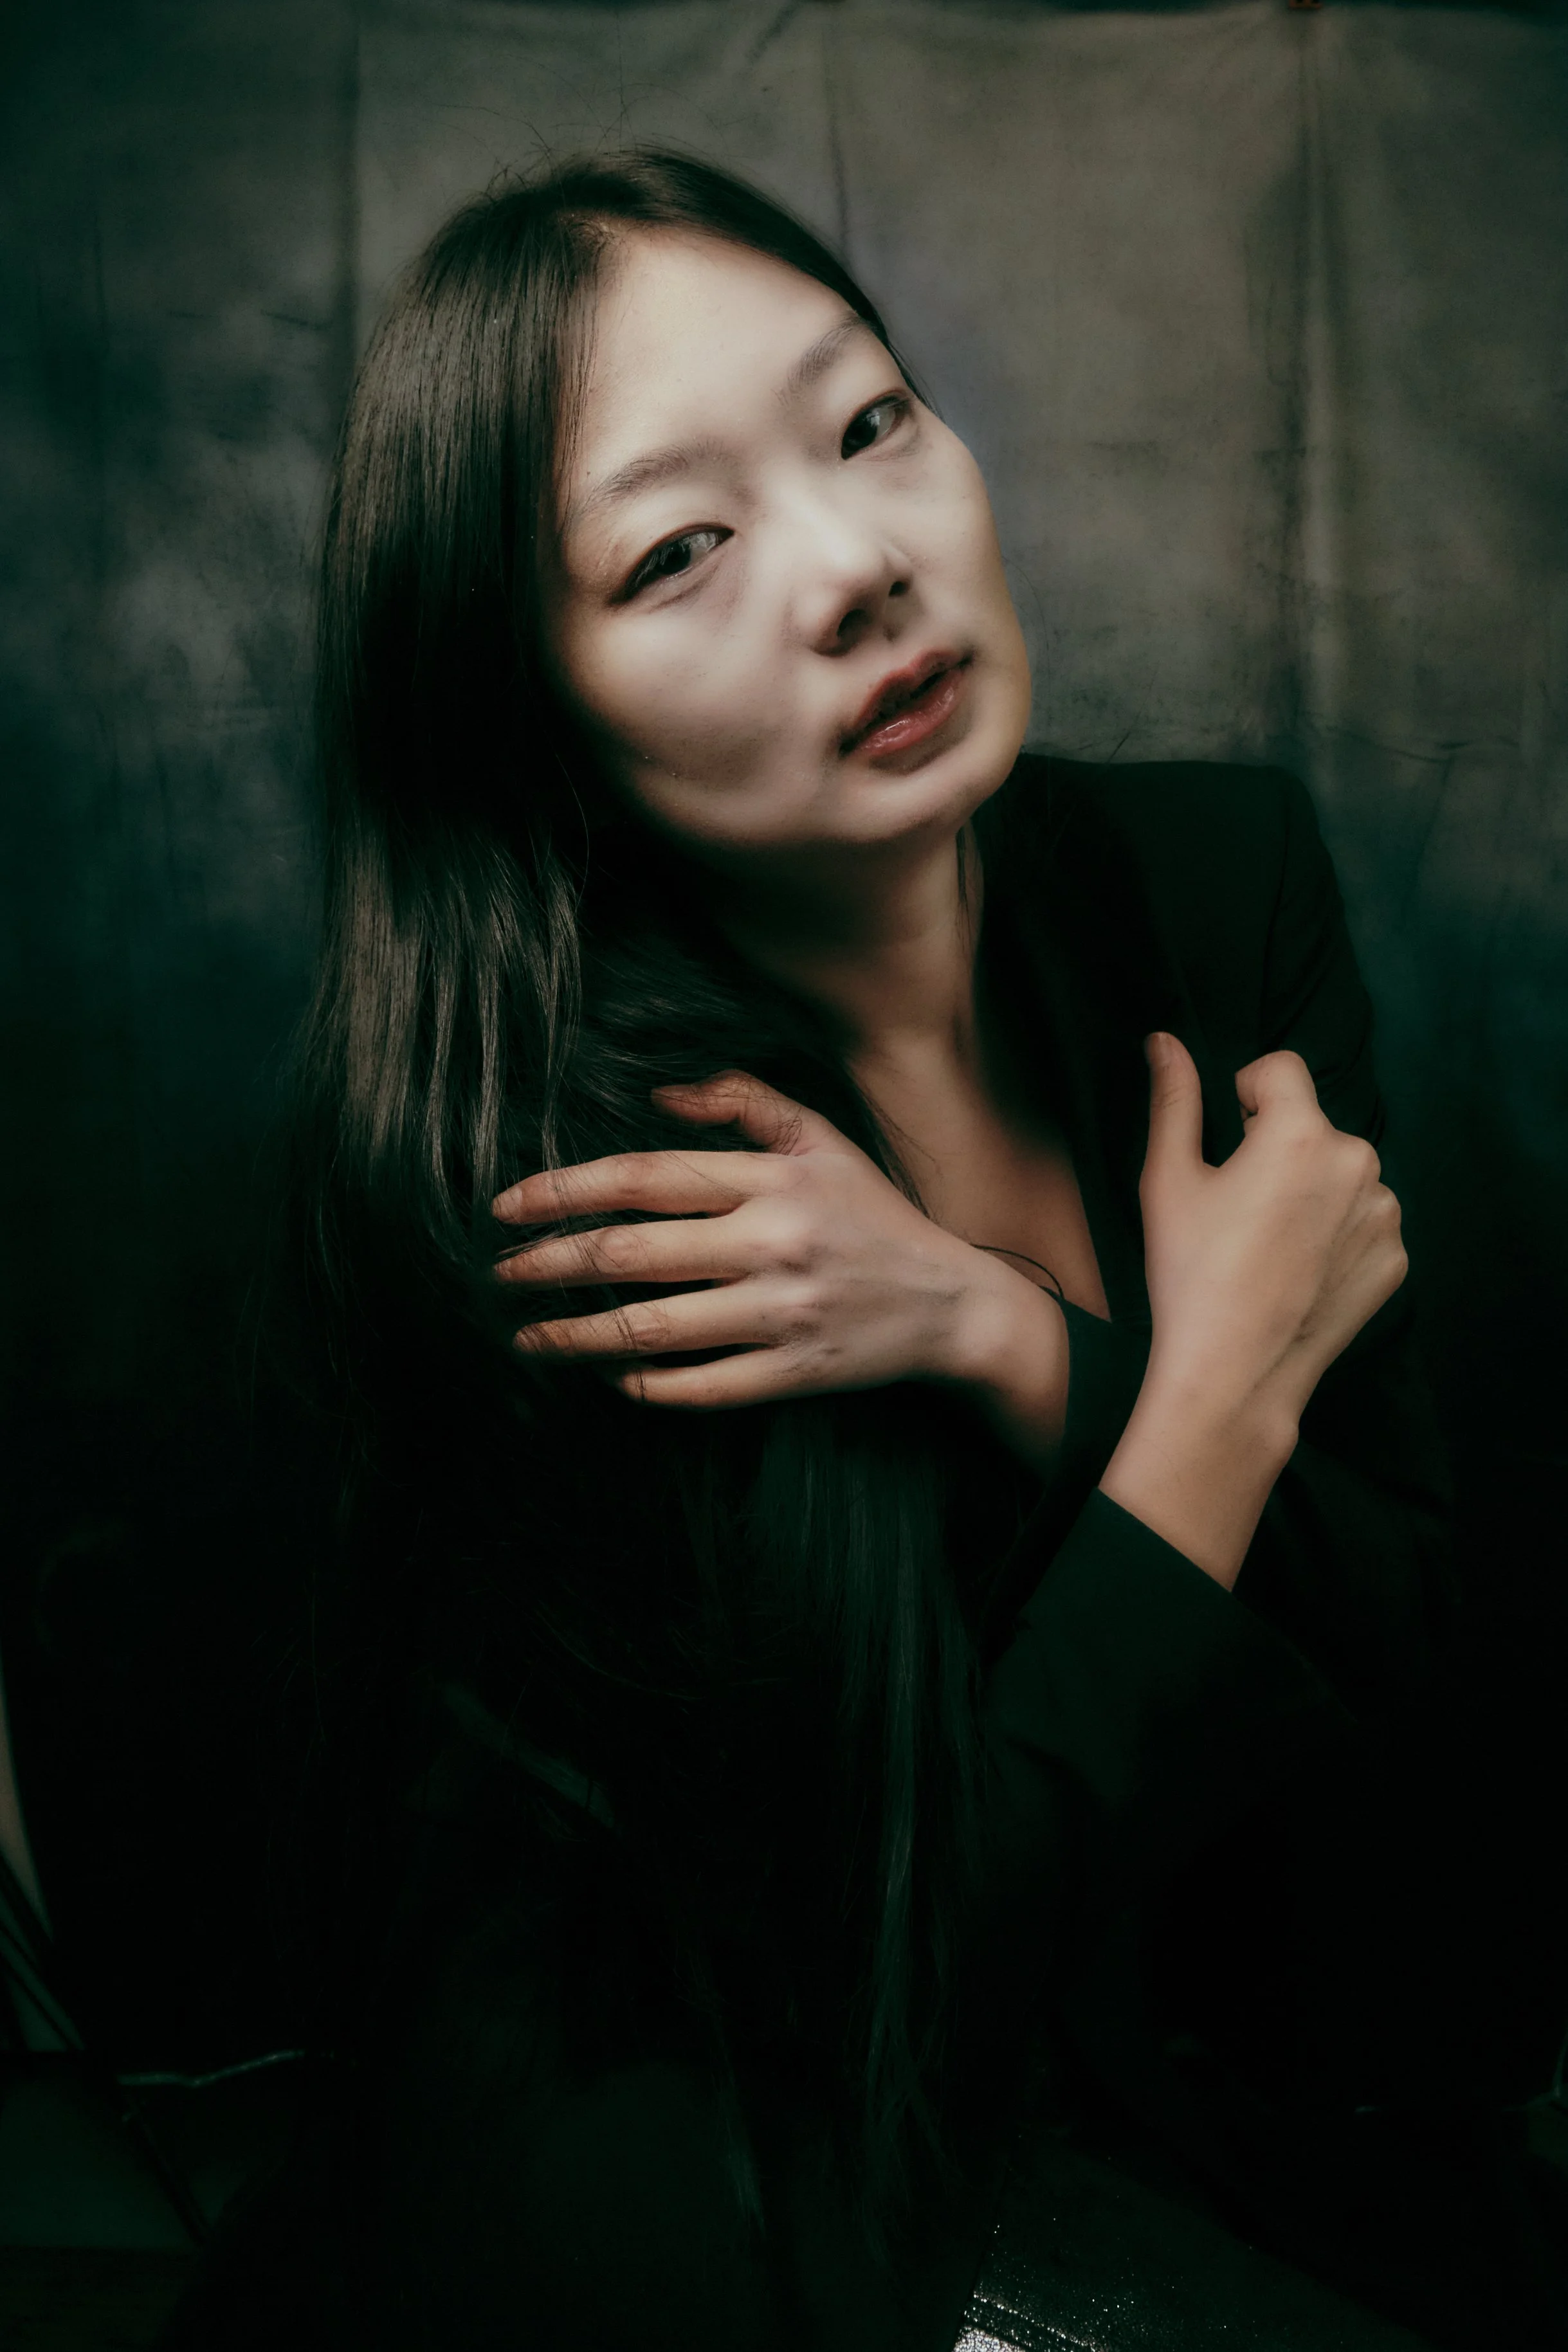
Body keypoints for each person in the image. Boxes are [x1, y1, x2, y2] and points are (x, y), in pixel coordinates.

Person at [161, 151, 1558, 2351]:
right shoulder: (571, 1179)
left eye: (870, 421)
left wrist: (994, 1333)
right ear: (540, 727)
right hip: (763, 2216)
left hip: (1259, 2094)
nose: (851, 567)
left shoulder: (1216, 886)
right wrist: (1198, 1406)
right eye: (677, 549)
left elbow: (1430, 1721)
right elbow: (848, 2048)